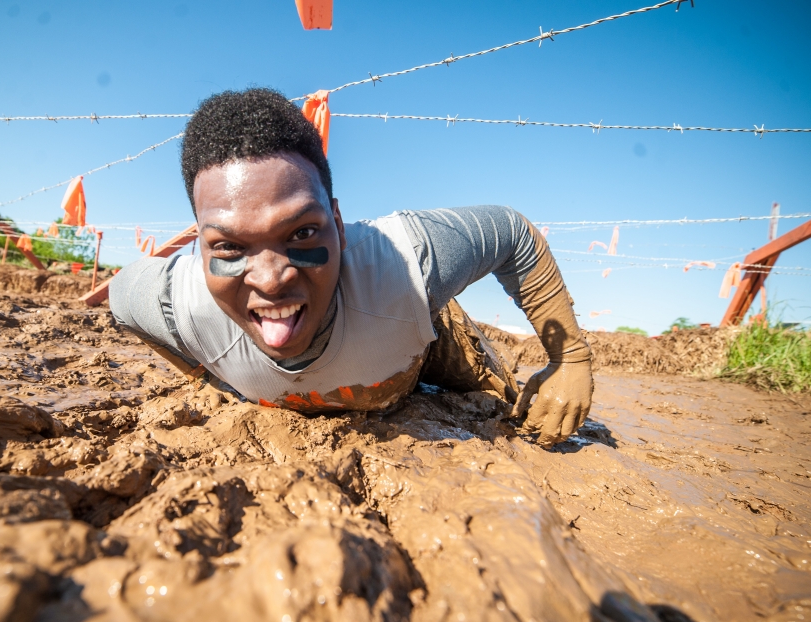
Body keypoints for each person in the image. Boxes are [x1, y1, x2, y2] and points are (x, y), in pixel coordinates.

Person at [110, 88, 593, 447]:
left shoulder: (407, 262)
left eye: (301, 234)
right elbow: (119, 299)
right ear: (201, 247)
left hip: (426, 337)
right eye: (231, 247)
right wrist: (213, 378)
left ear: (338, 224)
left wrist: (569, 359)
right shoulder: (180, 302)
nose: (271, 279)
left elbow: (512, 233)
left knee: (518, 413)